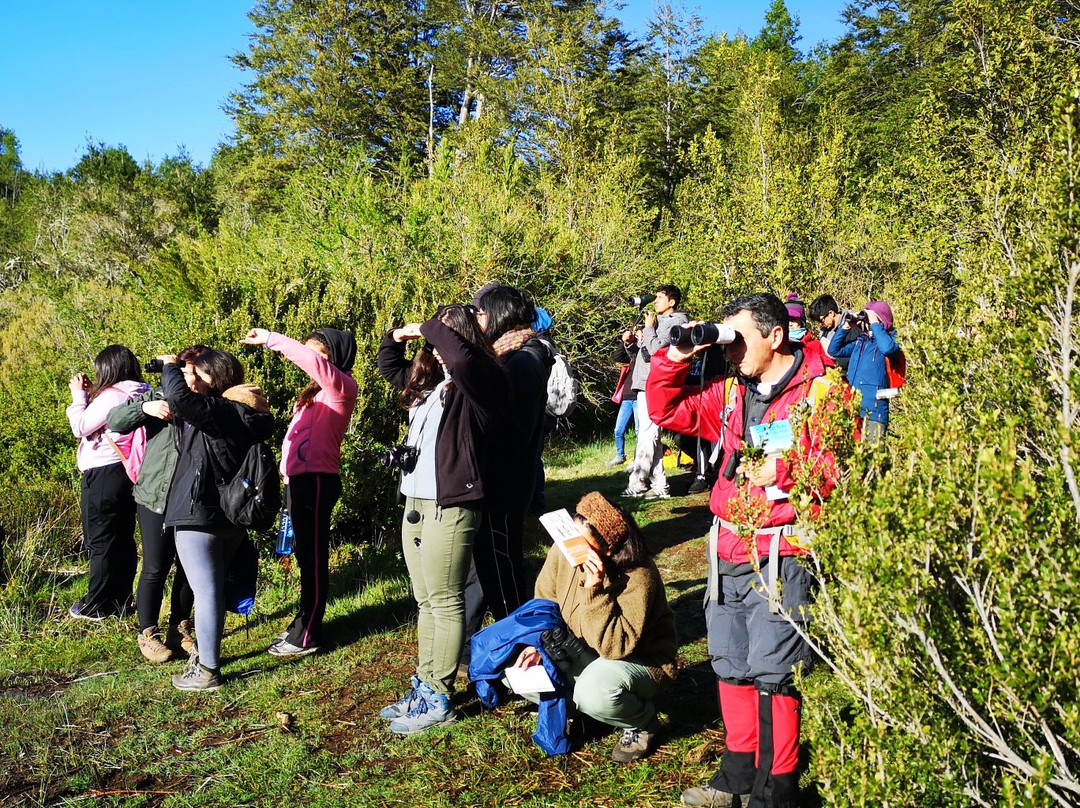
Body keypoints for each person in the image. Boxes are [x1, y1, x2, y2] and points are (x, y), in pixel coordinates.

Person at [647, 293, 839, 808]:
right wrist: (676, 357)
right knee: (730, 661)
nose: (730, 350)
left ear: (776, 336)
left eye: (739, 339)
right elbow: (664, 409)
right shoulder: (733, 393)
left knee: (774, 669)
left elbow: (839, 471)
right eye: (724, 338)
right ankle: (736, 776)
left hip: (782, 549)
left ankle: (775, 792)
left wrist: (789, 472)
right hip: (728, 543)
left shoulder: (822, 391)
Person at [376, 304, 509, 734]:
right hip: (417, 499)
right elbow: (388, 365)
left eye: (445, 334)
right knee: (425, 599)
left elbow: (462, 357)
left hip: (451, 503)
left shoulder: (482, 379)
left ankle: (439, 695)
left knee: (446, 598)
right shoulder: (433, 384)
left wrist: (432, 328)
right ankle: (425, 682)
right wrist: (397, 336)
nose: (436, 343)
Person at [513, 492, 678, 763]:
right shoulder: (564, 550)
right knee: (519, 671)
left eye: (582, 543)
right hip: (578, 651)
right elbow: (544, 601)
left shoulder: (639, 574)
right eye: (572, 535)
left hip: (639, 661)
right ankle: (587, 713)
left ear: (608, 549)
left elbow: (616, 647)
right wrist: (536, 644)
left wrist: (594, 590)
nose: (571, 546)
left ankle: (642, 721)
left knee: (595, 691)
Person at [160, 350, 274, 691]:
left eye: (196, 372)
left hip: (200, 514)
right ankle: (205, 659)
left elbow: (179, 400)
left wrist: (170, 368)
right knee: (212, 590)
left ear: (214, 377)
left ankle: (208, 669)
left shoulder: (221, 411)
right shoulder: (243, 413)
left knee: (206, 592)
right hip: (229, 517)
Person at [242, 326, 358, 657]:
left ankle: (307, 634)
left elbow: (312, 364)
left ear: (334, 357)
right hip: (300, 482)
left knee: (313, 558)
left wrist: (271, 339)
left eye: (317, 354)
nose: (308, 360)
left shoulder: (341, 387)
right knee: (304, 555)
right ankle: (303, 623)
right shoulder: (312, 396)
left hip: (319, 481)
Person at [106, 345, 208, 661]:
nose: (191, 377)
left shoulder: (211, 402)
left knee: (189, 568)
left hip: (192, 498)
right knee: (155, 566)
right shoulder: (159, 397)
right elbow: (115, 420)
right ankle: (148, 633)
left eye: (195, 372)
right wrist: (145, 409)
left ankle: (179, 630)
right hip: (155, 495)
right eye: (186, 371)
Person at [471, 284, 552, 620]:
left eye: (482, 311)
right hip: (504, 482)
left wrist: (477, 426)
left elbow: (516, 430)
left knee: (504, 574)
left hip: (505, 485)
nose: (477, 318)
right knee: (492, 568)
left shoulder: (520, 362)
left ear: (500, 314)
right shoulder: (513, 355)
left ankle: (519, 644)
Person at [66, 345, 150, 620]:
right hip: (127, 471)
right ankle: (121, 601)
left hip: (103, 472)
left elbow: (80, 427)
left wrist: (79, 396)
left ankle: (96, 605)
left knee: (101, 539)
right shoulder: (143, 391)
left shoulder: (112, 395)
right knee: (122, 538)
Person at [625, 284, 687, 499]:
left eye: (661, 297)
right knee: (650, 434)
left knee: (648, 433)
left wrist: (649, 328)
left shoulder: (678, 322)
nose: (656, 300)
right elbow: (642, 353)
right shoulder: (658, 322)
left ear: (672, 302)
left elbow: (655, 350)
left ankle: (637, 483)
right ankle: (660, 485)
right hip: (645, 382)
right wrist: (631, 343)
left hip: (657, 383)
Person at [827, 300, 900, 442]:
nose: (866, 321)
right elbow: (833, 350)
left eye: (870, 318)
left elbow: (887, 348)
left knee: (873, 460)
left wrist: (875, 323)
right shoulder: (861, 341)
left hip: (874, 412)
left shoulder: (891, 340)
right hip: (852, 409)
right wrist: (846, 326)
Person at [606, 331, 639, 468]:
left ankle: (637, 459)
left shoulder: (641, 353)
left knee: (639, 430)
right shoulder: (630, 355)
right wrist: (624, 341)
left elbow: (638, 354)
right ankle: (620, 456)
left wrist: (632, 344)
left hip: (639, 397)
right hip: (627, 397)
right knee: (618, 429)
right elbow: (617, 356)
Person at [808, 294, 855, 378]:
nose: (821, 324)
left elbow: (855, 357)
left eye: (821, 320)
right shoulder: (825, 332)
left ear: (831, 313)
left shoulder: (852, 328)